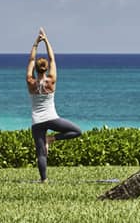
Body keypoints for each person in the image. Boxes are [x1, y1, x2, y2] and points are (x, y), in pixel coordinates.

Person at [27, 27, 82, 182]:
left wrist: (36, 44)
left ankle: (43, 180)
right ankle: (52, 139)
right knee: (77, 131)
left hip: (37, 122)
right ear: (45, 69)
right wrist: (46, 40)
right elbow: (53, 60)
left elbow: (31, 60)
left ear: (36, 69)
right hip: (52, 118)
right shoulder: (51, 80)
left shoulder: (30, 82)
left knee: (41, 153)